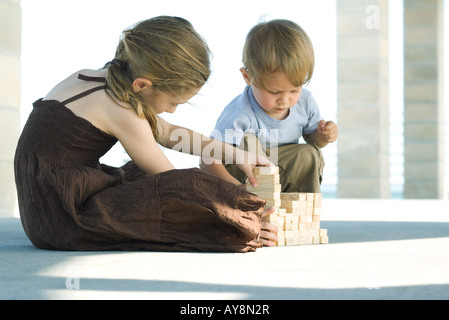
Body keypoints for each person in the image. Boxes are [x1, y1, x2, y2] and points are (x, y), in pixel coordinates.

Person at [14, 16, 278, 252]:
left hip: (45, 201)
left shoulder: (92, 78)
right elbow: (171, 179)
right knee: (186, 188)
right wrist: (233, 208)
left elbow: (170, 133)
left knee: (141, 178)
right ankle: (249, 226)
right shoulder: (120, 110)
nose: (172, 111)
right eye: (173, 103)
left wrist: (235, 153)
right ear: (142, 85)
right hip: (63, 215)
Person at [201, 19, 338, 193]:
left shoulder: (305, 101)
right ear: (247, 77)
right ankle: (253, 207)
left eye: (294, 90)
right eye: (274, 92)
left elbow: (312, 140)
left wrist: (323, 136)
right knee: (248, 141)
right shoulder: (239, 113)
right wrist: (235, 188)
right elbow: (207, 158)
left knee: (310, 154)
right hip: (243, 180)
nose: (284, 100)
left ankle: (302, 212)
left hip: (280, 172)